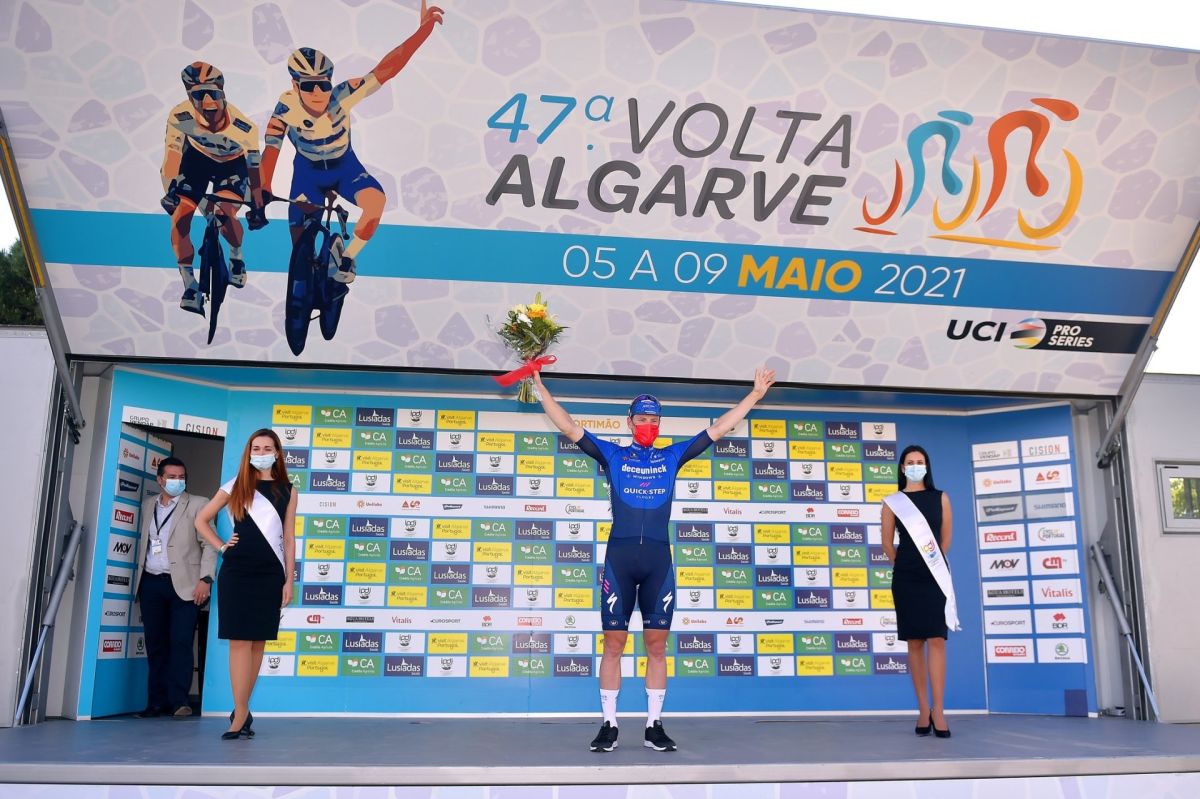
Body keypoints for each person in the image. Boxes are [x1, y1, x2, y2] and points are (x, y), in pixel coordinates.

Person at [530, 367, 776, 753]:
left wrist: (754, 396)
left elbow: (719, 428)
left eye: (653, 420)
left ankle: (653, 725)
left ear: (660, 425)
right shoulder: (612, 454)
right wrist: (541, 389)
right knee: (613, 644)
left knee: (657, 646)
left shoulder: (672, 456)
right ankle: (609, 724)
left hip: (658, 561)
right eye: (641, 419)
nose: (647, 425)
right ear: (629, 422)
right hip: (620, 559)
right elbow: (569, 427)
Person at [259, 1, 444, 283]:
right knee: (299, 244)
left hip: (344, 167)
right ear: (295, 86)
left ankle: (347, 257)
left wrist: (423, 31)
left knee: (376, 203)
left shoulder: (343, 95)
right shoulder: (285, 107)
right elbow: (271, 151)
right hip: (308, 173)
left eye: (324, 84)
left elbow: (389, 67)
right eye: (309, 86)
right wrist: (262, 190)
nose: (319, 92)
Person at [195, 429, 297, 740]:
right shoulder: (235, 485)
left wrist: (289, 579)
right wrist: (222, 546)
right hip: (237, 571)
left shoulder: (288, 490)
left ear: (277, 453)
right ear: (249, 452)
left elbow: (289, 538)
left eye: (267, 448)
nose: (261, 452)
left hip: (270, 573)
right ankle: (240, 713)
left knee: (258, 643)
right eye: (256, 448)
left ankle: (242, 710)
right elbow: (201, 520)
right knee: (239, 641)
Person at [160, 61, 267, 315]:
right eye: (199, 95)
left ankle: (236, 256)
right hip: (196, 160)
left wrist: (258, 205)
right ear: (189, 97)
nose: (208, 102)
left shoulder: (244, 128)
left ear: (223, 93)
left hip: (232, 165)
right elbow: (172, 158)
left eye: (213, 94)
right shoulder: (180, 116)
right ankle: (189, 284)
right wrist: (170, 190)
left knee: (225, 213)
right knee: (180, 219)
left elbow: (254, 170)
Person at [880, 444, 959, 739]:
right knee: (914, 641)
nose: (915, 466)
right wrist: (906, 565)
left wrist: (931, 565)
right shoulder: (893, 502)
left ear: (927, 466)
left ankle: (939, 710)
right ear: (903, 468)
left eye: (920, 461)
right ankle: (923, 709)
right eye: (910, 462)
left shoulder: (941, 498)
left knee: (937, 638)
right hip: (906, 578)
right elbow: (887, 544)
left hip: (935, 575)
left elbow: (945, 540)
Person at [131, 456, 215, 718]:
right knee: (155, 643)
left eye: (181, 477)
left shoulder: (199, 504)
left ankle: (180, 702)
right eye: (172, 477)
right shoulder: (148, 505)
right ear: (160, 479)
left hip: (186, 585)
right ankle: (156, 702)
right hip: (151, 582)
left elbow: (209, 544)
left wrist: (206, 579)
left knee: (180, 642)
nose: (178, 481)